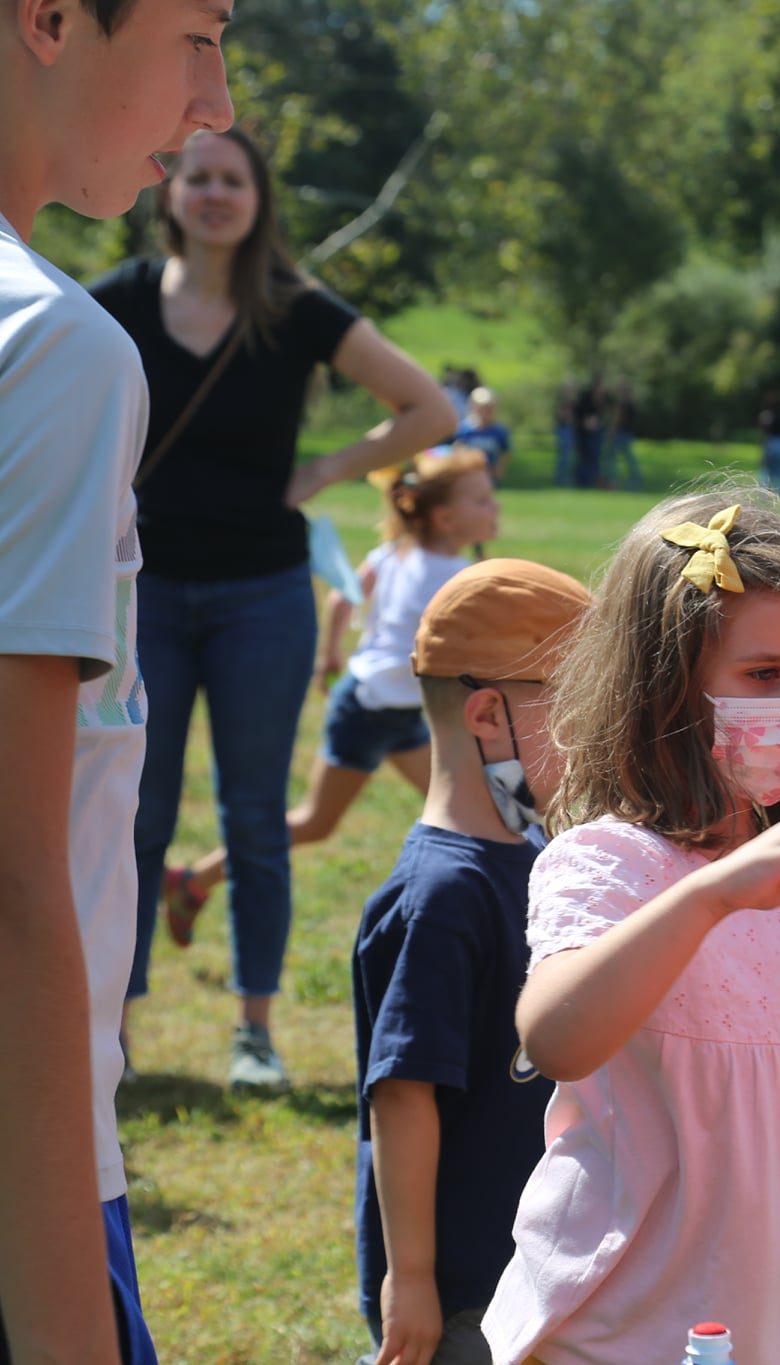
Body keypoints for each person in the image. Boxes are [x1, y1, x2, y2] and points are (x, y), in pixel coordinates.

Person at [480, 492, 780, 1365]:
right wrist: (714, 893)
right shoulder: (607, 861)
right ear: (668, 684)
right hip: (621, 1328)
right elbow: (557, 1036)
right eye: (765, 675)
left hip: (779, 1328)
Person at [93, 126, 457, 1092]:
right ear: (170, 192)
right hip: (147, 593)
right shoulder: (120, 301)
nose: (214, 194)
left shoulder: (295, 311)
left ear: (258, 200)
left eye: (233, 180)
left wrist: (331, 466)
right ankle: (114, 1039)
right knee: (138, 814)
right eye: (198, 176)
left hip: (262, 594)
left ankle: (254, 1031)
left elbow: (430, 408)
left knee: (256, 816)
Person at [0, 0, 231, 1357]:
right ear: (48, 19)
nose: (216, 102)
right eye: (200, 34)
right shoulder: (53, 353)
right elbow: (17, 881)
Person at [353, 558, 591, 1365]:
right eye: (580, 719)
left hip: (531, 1268)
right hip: (462, 1294)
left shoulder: (542, 856)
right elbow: (402, 1091)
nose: (599, 745)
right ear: (490, 714)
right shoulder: (444, 892)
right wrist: (411, 1277)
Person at [160, 448, 500, 947]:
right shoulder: (445, 578)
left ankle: (488, 914)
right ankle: (191, 882)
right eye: (483, 499)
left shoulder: (396, 552)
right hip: (369, 712)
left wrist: (332, 652)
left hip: (396, 710)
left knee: (469, 807)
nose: (496, 508)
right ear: (446, 517)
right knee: (316, 822)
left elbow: (343, 597)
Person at [453, 386, 511, 483]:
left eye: (489, 407)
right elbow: (457, 449)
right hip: (468, 474)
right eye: (482, 407)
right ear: (473, 406)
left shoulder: (499, 431)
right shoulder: (464, 429)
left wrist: (500, 467)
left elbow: (505, 451)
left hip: (489, 475)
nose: (486, 411)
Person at [605, 379, 644, 491]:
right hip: (625, 433)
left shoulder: (623, 404)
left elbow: (619, 419)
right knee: (626, 458)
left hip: (622, 433)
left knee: (615, 457)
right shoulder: (628, 403)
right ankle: (631, 479)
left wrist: (612, 432)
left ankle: (614, 481)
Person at [551, 382, 577, 488]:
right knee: (563, 455)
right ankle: (560, 477)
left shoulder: (573, 402)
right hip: (564, 429)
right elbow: (562, 415)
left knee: (568, 455)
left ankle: (565, 477)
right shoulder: (563, 402)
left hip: (570, 429)